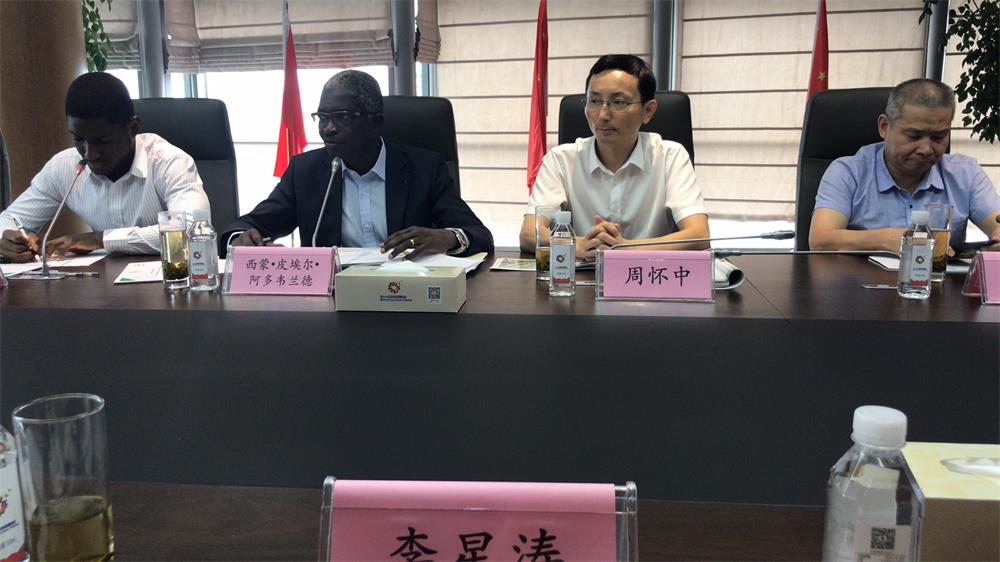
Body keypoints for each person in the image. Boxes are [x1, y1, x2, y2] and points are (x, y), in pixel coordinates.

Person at [224, 70, 493, 258]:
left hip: (406, 295)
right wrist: (240, 239)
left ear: (376, 122)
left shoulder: (425, 168)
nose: (328, 128)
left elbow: (479, 235)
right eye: (322, 117)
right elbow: (246, 227)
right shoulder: (305, 171)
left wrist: (448, 238)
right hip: (335, 300)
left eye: (342, 117)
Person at [0, 72, 209, 263]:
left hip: (172, 282)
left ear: (133, 128)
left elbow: (193, 230)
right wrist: (11, 239)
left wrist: (99, 240)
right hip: (103, 286)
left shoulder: (170, 162)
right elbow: (9, 219)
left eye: (102, 141)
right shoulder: (63, 167)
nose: (90, 153)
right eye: (79, 139)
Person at [519, 54, 709, 259]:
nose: (602, 115)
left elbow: (699, 235)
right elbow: (529, 234)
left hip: (650, 274)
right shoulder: (561, 160)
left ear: (647, 110)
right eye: (594, 101)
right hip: (583, 277)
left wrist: (625, 249)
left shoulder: (670, 157)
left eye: (618, 102)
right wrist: (576, 244)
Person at [810, 78, 1000, 252]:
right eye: (914, 136)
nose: (926, 149)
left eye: (938, 137)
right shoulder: (847, 172)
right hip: (858, 278)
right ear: (884, 127)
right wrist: (886, 239)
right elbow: (820, 240)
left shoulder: (965, 173)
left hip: (939, 279)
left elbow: (996, 225)